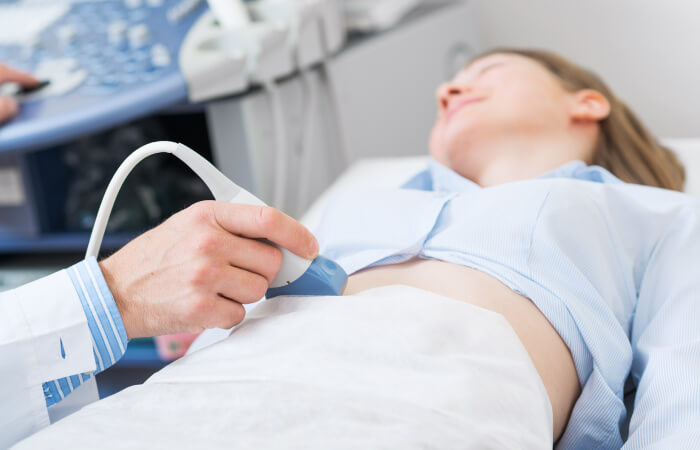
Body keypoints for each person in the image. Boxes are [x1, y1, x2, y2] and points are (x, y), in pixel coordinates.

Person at [12, 49, 700, 449]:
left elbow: (684, 386)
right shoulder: (361, 203)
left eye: (487, 68)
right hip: (170, 409)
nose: (448, 87)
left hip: (412, 410)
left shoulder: (657, 215)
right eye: (445, 88)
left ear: (587, 102)